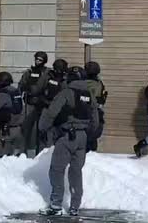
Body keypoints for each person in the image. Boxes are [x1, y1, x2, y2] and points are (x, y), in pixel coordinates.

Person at [38, 66, 99, 216]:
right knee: (76, 171)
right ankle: (75, 206)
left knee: (57, 170)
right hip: (82, 137)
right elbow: (95, 118)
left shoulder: (66, 93)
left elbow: (52, 112)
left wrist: (43, 128)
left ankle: (56, 205)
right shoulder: (89, 94)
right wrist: (89, 135)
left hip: (67, 136)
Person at [19, 51, 51, 157]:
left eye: (40, 60)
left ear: (44, 61)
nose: (38, 61)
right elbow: (21, 85)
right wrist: (24, 88)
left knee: (40, 130)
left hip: (42, 105)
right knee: (26, 128)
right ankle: (24, 153)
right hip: (30, 104)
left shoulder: (47, 73)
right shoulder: (29, 72)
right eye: (36, 59)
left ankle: (40, 154)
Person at [38, 58, 69, 150]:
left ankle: (43, 154)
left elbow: (38, 88)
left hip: (48, 108)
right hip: (59, 110)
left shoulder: (48, 76)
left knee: (44, 133)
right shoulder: (66, 79)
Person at [84, 61, 108, 152]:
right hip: (95, 114)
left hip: (85, 115)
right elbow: (100, 101)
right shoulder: (98, 83)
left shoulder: (82, 83)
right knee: (92, 141)